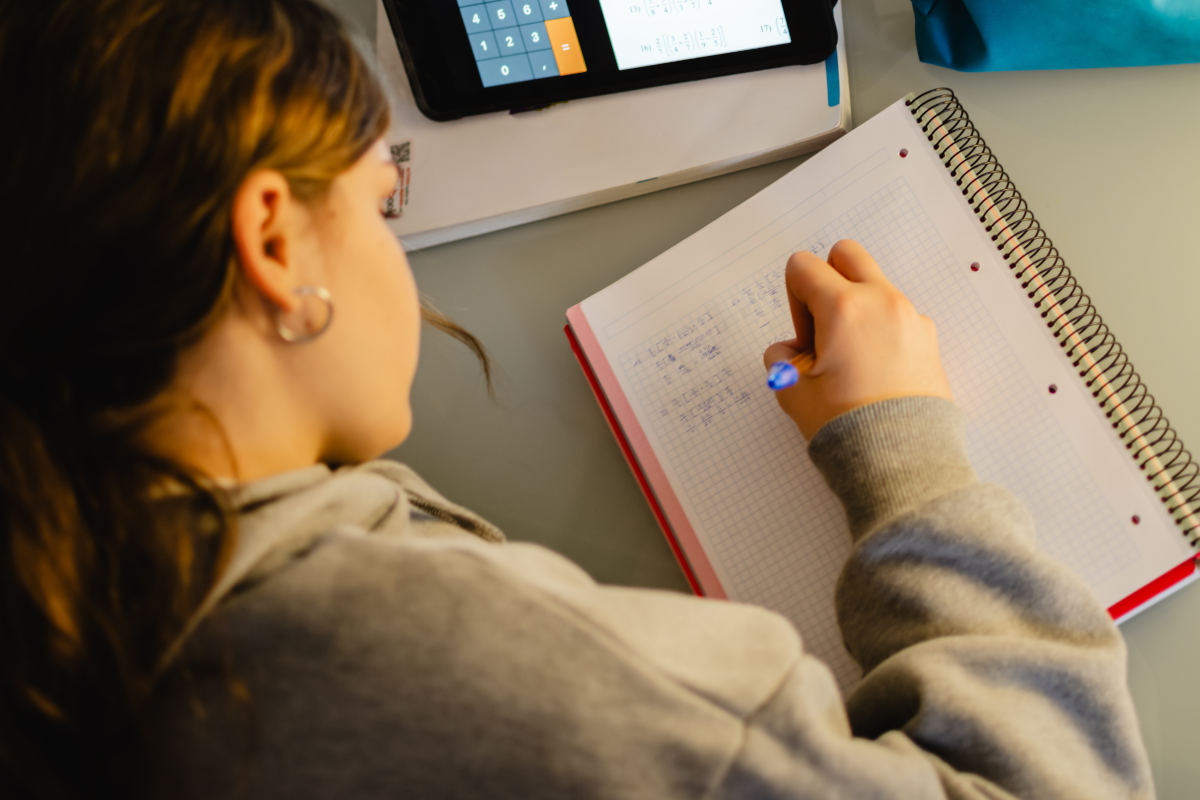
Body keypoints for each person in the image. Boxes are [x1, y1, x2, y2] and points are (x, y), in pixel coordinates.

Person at [0, 1, 1153, 798]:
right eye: (381, 204)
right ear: (269, 240)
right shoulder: (422, 654)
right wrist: (902, 447)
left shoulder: (82, 593)